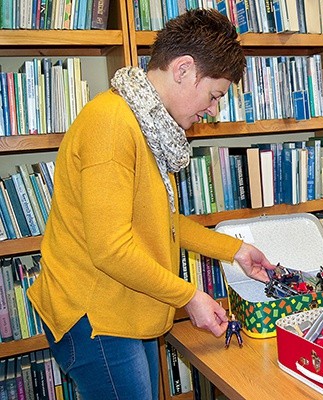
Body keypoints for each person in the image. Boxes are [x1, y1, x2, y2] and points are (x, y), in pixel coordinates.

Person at [26, 9, 274, 400]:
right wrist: (190, 296)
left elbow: (160, 219)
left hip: (123, 309)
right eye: (214, 95)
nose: (213, 110)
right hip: (95, 318)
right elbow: (111, 248)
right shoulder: (112, 124)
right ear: (183, 69)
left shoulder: (148, 125)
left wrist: (236, 250)